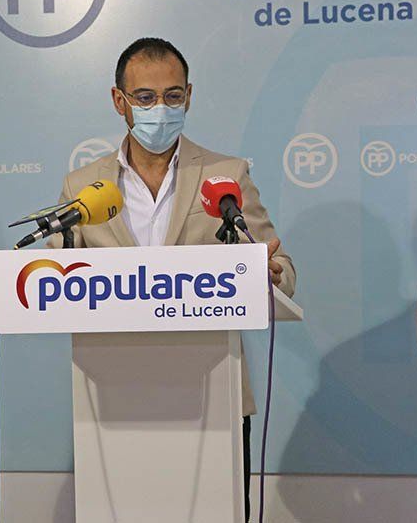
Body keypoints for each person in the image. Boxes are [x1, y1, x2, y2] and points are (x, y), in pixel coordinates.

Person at [48, 37, 296, 521]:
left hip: (214, 396)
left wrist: (270, 272)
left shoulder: (227, 174)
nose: (160, 108)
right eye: (145, 97)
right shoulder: (83, 186)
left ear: (189, 96)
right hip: (114, 396)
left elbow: (281, 268)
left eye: (173, 96)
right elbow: (57, 283)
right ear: (119, 101)